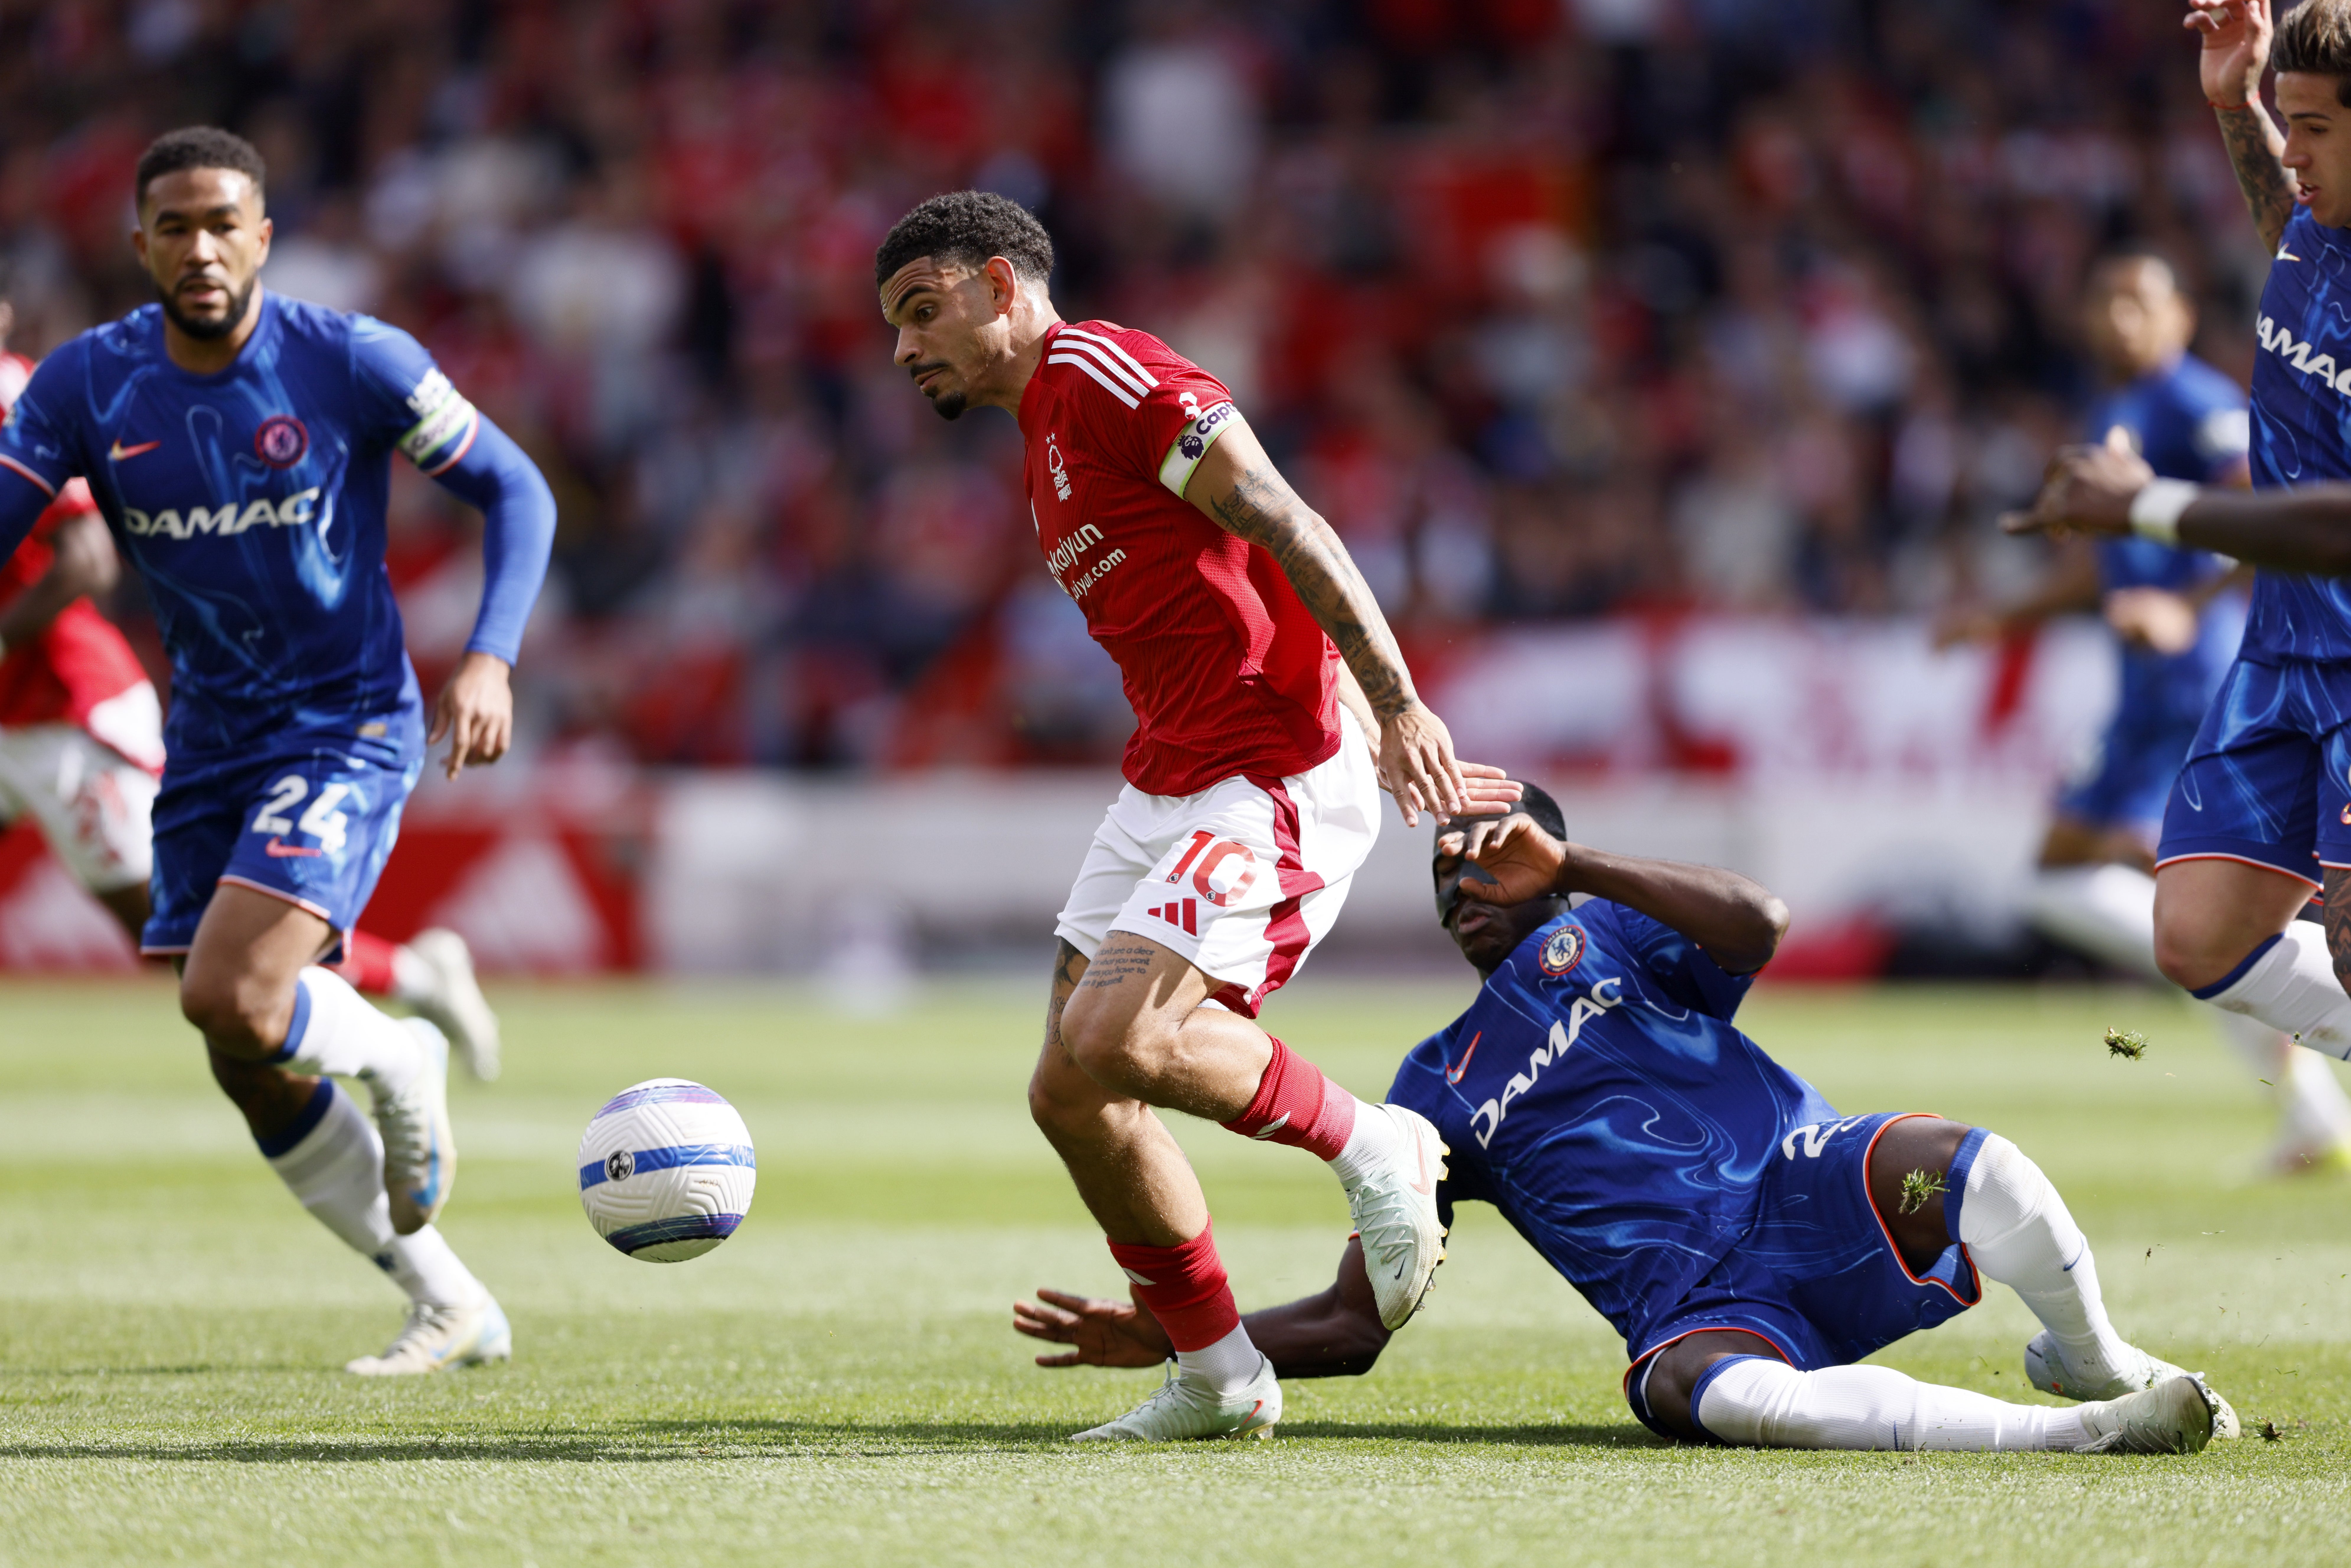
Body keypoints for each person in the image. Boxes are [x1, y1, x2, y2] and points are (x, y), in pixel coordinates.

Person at [1016, 787, 2239, 1454]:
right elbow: (1356, 1319)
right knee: (1694, 1396)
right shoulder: (1431, 1083)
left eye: (1486, 857)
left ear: (1542, 858)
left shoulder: (1608, 928)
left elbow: (1756, 921)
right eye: (1443, 874)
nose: (1460, 885)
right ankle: (2073, 1432)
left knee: (1974, 1164)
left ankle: (2095, 1354)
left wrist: (1581, 865)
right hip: (1698, 1315)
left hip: (1807, 1195)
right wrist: (1199, 1336)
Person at [874, 190, 1519, 1440]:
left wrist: (1396, 705)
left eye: (922, 310)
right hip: (1168, 771)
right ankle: (1219, 1373)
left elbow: (1281, 514)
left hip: (1270, 759)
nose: (903, 348)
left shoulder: (1105, 372)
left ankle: (1376, 1144)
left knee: (1118, 1038)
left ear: (1003, 286)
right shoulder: (1040, 438)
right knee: (1067, 1088)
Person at [0, 128, 555, 1373]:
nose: (200, 248)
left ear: (263, 234)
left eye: (222, 222)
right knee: (243, 1053)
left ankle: (401, 1045)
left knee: (230, 993)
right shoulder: (86, 385)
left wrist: (491, 653)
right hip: (207, 740)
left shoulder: (349, 357)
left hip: (345, 721)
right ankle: (449, 1294)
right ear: (139, 243)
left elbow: (516, 488)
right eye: (174, 227)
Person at [1988, 0, 2351, 1071]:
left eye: (2317, 129)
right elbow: (2288, 244)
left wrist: (2146, 505)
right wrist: (2237, 100)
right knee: (2192, 934)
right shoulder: (2316, 227)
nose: (2298, 158)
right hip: (2284, 648)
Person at [1936, 249, 2351, 1171]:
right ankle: (2292, 1071)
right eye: (2104, 302)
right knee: (2084, 882)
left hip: (2204, 675)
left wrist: (2184, 607)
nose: (2119, 320)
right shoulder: (2115, 413)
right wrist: (1996, 616)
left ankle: (2296, 1073)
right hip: (2143, 689)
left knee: (2084, 875)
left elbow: (2267, 513)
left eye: (2139, 303)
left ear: (2179, 315)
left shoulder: (2195, 404)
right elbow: (2100, 557)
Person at [0, 326, 504, 1068]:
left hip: (63, 719)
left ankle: (414, 984)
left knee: (188, 947)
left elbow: (87, 558)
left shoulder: (18, 397)